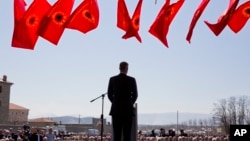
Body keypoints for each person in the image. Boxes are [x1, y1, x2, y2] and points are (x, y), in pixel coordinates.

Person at [107, 61, 138, 141]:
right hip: (127, 111)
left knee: (117, 135)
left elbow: (109, 94)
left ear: (119, 68)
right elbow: (135, 95)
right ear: (126, 69)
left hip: (116, 111)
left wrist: (115, 103)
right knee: (127, 135)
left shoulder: (112, 79)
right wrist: (130, 103)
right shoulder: (131, 80)